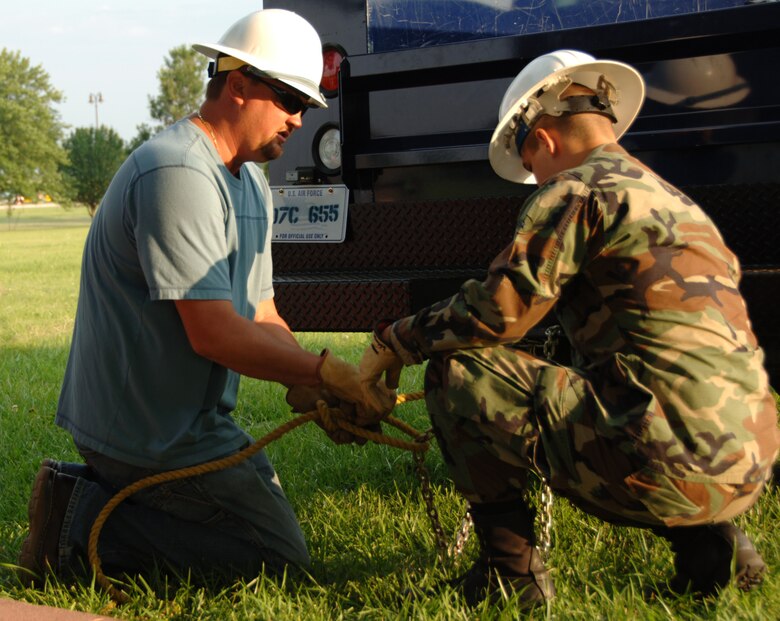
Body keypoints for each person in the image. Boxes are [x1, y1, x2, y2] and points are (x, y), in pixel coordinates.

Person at [359, 49, 780, 607]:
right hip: (750, 460)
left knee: (461, 370)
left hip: (667, 464)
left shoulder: (577, 190)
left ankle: (510, 578)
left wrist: (394, 340)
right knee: (637, 389)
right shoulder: (674, 202)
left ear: (544, 140)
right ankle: (711, 552)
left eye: (529, 163)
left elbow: (497, 312)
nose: (532, 179)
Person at [18, 9, 391, 586]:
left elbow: (262, 312)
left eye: (306, 107)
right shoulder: (177, 171)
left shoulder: (252, 184)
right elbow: (213, 332)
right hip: (140, 429)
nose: (298, 118)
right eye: (289, 98)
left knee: (268, 541)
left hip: (187, 425)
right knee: (277, 561)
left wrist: (311, 388)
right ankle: (73, 519)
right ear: (237, 84)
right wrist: (325, 370)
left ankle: (102, 503)